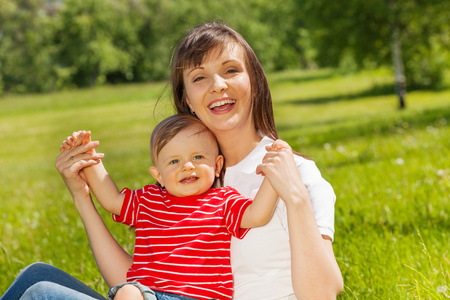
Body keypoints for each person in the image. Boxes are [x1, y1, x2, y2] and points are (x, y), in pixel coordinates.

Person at [1, 22, 343, 300]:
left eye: (231, 70)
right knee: (36, 276)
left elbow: (323, 295)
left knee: (42, 293)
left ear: (254, 81)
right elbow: (146, 283)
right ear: (188, 100)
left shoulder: (292, 172)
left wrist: (294, 196)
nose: (218, 85)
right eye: (199, 77)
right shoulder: (186, 178)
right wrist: (82, 196)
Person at [64, 114, 289, 300]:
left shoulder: (222, 201)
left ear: (217, 165)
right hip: (150, 295)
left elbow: (257, 215)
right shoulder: (149, 201)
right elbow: (112, 200)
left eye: (198, 156)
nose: (187, 166)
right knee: (129, 292)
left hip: (199, 297)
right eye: (174, 161)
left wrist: (273, 174)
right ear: (158, 175)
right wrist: (89, 156)